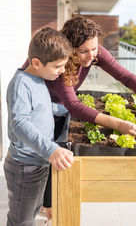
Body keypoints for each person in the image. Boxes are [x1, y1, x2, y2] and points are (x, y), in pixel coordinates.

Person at [40, 14, 136, 220]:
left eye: (94, 48)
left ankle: (48, 203)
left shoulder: (94, 53)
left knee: (56, 150)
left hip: (60, 105)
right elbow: (74, 106)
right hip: (42, 103)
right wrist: (118, 123)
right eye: (84, 51)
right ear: (70, 49)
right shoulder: (61, 61)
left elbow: (127, 76)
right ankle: (47, 207)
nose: (91, 56)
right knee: (47, 150)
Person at [4, 27, 74, 226]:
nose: (62, 71)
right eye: (58, 66)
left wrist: (65, 110)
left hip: (38, 162)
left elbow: (43, 107)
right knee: (21, 220)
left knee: (33, 210)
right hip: (24, 167)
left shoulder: (39, 78)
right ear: (36, 62)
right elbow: (20, 123)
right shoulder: (21, 84)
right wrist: (51, 149)